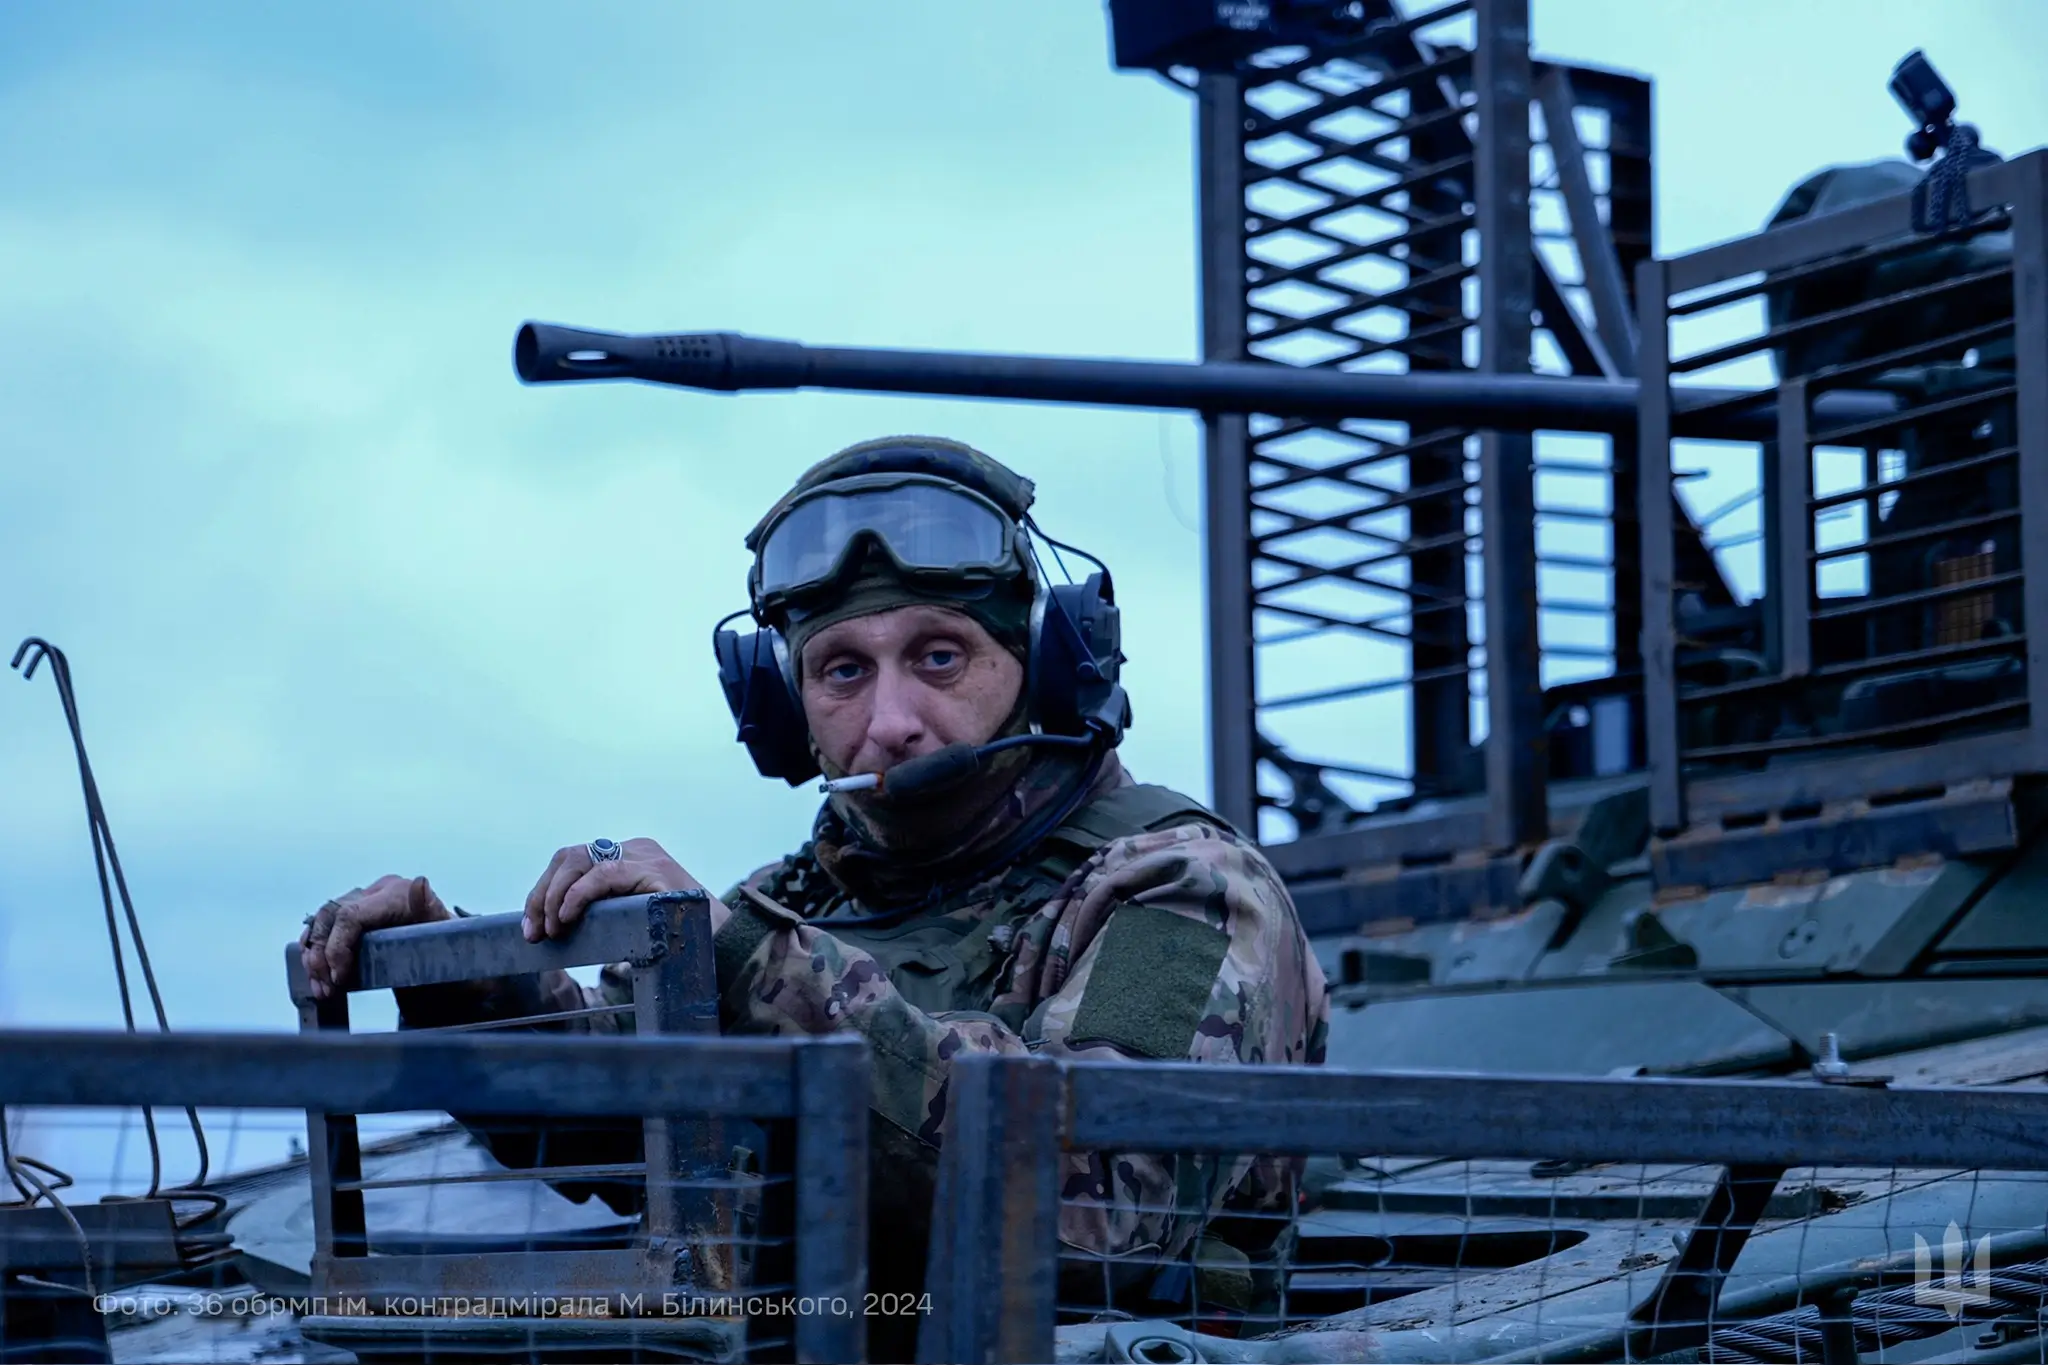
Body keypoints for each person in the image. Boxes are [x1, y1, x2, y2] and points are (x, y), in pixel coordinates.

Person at [298, 436, 1328, 1352]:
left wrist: (747, 958)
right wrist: (464, 983)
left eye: (939, 656)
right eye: (840, 672)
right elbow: (610, 1134)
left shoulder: (1180, 885)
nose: (890, 721)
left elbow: (1096, 1222)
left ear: (1046, 665)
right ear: (784, 713)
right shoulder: (792, 900)